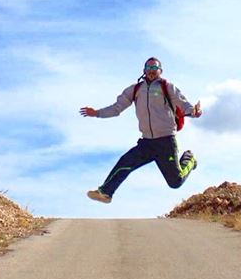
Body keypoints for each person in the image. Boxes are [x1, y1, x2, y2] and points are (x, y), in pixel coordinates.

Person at [80, 57, 203, 203]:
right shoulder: (135, 89)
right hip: (147, 143)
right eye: (148, 68)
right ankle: (106, 193)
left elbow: (184, 104)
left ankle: (189, 159)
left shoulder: (167, 87)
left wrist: (193, 112)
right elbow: (116, 108)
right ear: (144, 70)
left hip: (166, 141)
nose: (151, 71)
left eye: (154, 68)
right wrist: (97, 113)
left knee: (175, 182)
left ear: (160, 71)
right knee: (125, 162)